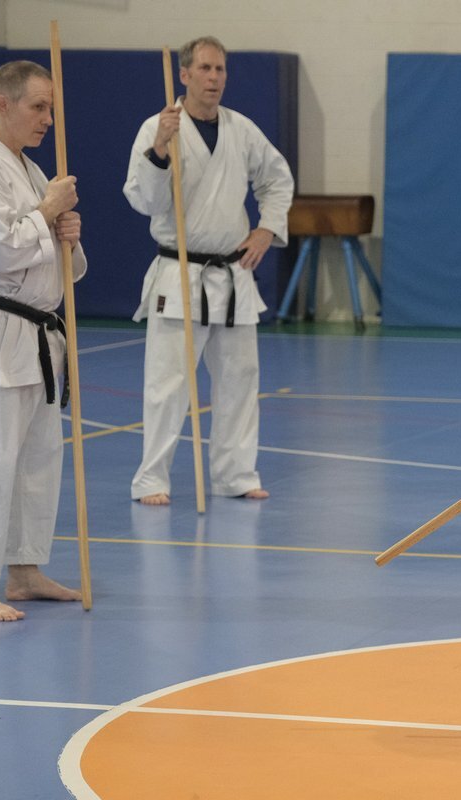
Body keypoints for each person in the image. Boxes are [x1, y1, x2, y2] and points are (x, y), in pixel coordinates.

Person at [125, 35, 293, 505]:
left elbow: (277, 179)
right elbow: (144, 200)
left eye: (220, 69)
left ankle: (236, 474)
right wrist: (159, 150)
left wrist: (266, 230)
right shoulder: (159, 128)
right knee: (168, 386)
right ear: (184, 75)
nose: (214, 78)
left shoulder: (241, 129)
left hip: (233, 273)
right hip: (179, 273)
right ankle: (151, 479)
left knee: (241, 380)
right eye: (205, 69)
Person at [0, 61, 86, 622]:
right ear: (2, 104)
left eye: (51, 108)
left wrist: (67, 238)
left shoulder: (29, 169)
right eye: (38, 107)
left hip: (37, 332)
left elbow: (66, 271)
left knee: (36, 460)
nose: (48, 120)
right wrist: (48, 212)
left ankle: (25, 570)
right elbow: (3, 250)